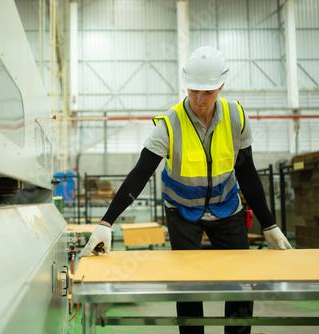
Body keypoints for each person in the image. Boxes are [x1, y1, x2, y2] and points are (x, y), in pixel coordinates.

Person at [79, 46, 292, 334]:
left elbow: (247, 172)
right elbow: (140, 173)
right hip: (181, 211)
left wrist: (269, 225)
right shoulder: (170, 124)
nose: (199, 99)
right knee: (188, 286)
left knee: (241, 283)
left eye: (207, 92)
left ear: (221, 86)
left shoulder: (236, 116)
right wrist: (106, 222)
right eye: (193, 91)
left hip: (227, 209)